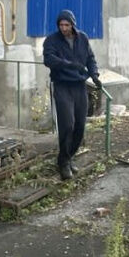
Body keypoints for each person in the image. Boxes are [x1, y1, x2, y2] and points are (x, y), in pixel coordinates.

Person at [42, 10, 101, 179]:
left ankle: (69, 157)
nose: (63, 28)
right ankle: (63, 163)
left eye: (66, 25)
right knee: (67, 124)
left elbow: (90, 58)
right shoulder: (52, 40)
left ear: (72, 24)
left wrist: (95, 75)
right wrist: (69, 65)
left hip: (79, 86)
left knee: (80, 126)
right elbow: (49, 59)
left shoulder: (82, 38)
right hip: (62, 85)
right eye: (61, 25)